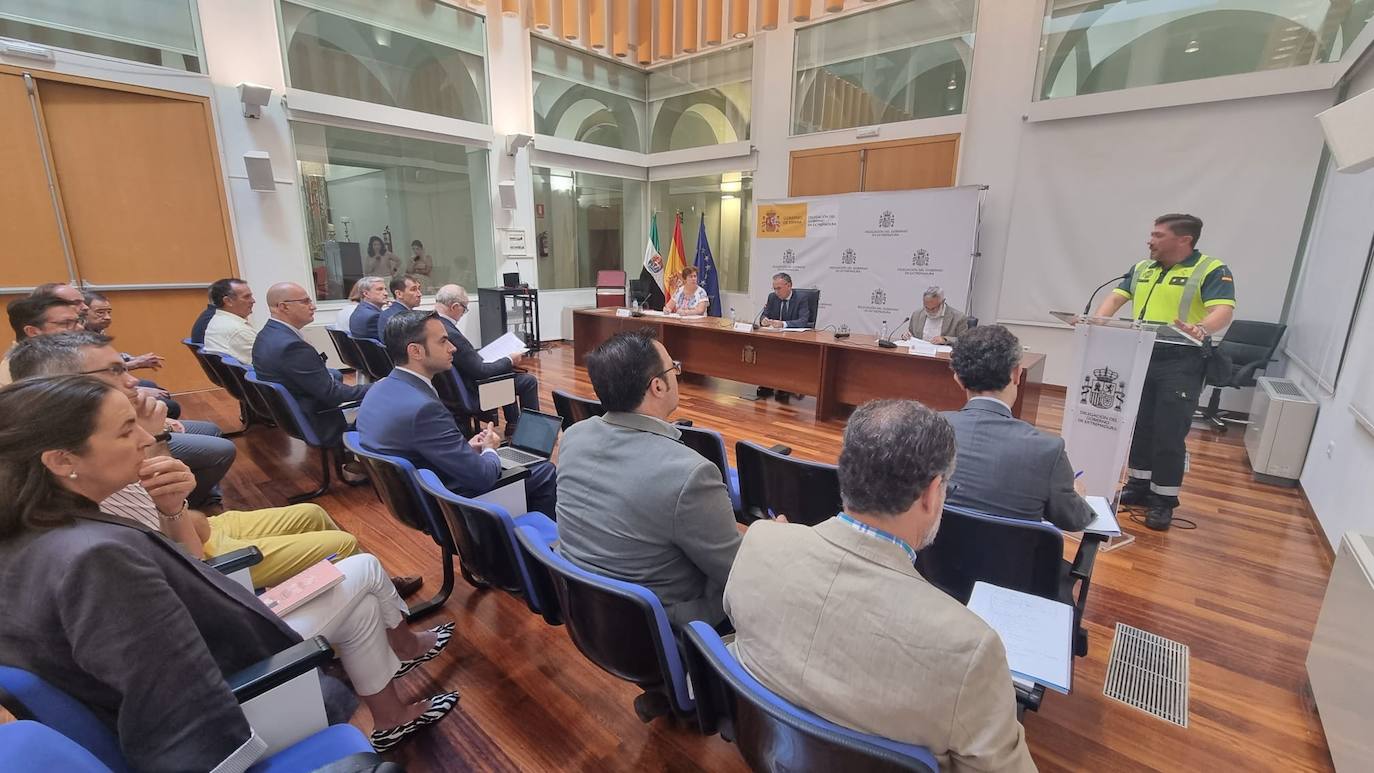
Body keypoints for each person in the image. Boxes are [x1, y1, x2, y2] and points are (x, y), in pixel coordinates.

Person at [0, 377, 460, 764]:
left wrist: (171, 507)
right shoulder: (94, 559)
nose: (144, 438)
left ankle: (390, 716)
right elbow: (179, 709)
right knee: (361, 573)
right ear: (61, 460)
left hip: (187, 688)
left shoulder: (35, 532)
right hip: (237, 715)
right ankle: (390, 699)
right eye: (125, 431)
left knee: (358, 605)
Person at [725, 400, 1035, 773]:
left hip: (766, 753)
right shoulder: (972, 648)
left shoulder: (759, 542)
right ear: (931, 493)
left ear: (846, 472)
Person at [556, 329, 743, 629]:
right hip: (660, 630)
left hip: (587, 614)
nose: (677, 375)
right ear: (657, 386)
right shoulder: (691, 474)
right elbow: (736, 570)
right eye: (673, 368)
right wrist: (770, 541)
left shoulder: (574, 436)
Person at [1093, 213, 1236, 530]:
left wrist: (1201, 328)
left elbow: (1223, 310)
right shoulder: (1142, 268)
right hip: (1142, 354)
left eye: (1158, 235)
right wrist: (1095, 322)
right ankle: (1139, 485)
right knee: (1141, 425)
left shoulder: (1211, 269)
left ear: (1184, 240)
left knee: (1169, 431)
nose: (1150, 240)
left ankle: (1163, 500)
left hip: (1181, 361)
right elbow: (1116, 298)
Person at [356, 311, 558, 516]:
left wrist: (465, 449)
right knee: (545, 471)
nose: (452, 348)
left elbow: (418, 448)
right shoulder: (423, 409)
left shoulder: (378, 390)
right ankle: (524, 535)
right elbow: (483, 477)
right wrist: (489, 449)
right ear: (415, 351)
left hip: (417, 495)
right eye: (443, 341)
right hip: (448, 506)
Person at [10, 330, 235, 509]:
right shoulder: (88, 459)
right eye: (115, 371)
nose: (133, 381)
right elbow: (166, 526)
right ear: (67, 382)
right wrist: (156, 437)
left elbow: (169, 513)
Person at [944, 325, 1093, 531]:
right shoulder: (1048, 450)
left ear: (958, 379)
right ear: (1016, 373)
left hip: (930, 552)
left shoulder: (926, 431)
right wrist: (1075, 494)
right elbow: (1075, 520)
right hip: (1012, 553)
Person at [253, 283, 372, 458]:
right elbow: (334, 394)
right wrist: (379, 387)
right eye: (305, 301)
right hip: (319, 420)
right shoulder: (291, 346)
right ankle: (365, 462)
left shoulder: (267, 334)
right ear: (283, 307)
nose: (313, 306)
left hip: (294, 417)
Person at [434, 284, 541, 434]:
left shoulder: (434, 324)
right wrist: (509, 359)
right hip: (475, 392)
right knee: (528, 381)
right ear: (455, 307)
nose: (464, 313)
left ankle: (513, 424)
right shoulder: (451, 333)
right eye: (464, 309)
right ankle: (532, 431)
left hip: (454, 390)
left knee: (504, 370)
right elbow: (482, 371)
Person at [754, 272, 812, 400]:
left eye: (779, 288)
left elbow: (803, 321)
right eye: (774, 288)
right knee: (763, 349)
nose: (776, 292)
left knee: (785, 353)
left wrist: (783, 324)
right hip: (775, 337)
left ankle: (784, 386)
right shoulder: (772, 297)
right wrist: (764, 320)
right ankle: (767, 383)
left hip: (794, 339)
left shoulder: (801, 298)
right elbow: (764, 315)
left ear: (789, 286)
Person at [2, 295, 82, 386]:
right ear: (32, 331)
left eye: (78, 321)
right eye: (65, 323)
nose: (80, 328)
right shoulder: (13, 375)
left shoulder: (60, 355)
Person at [202, 278, 259, 364]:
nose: (253, 301)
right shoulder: (239, 330)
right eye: (246, 297)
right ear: (228, 301)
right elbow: (270, 362)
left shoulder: (218, 320)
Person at [901, 286, 969, 345]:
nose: (930, 311)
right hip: (919, 352)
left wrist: (945, 339)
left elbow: (964, 340)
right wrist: (906, 336)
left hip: (943, 354)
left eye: (933, 308)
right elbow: (911, 334)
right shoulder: (917, 314)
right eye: (926, 307)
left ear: (943, 302)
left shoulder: (959, 317)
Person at [349, 275, 389, 340]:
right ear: (366, 294)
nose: (386, 293)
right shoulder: (374, 316)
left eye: (385, 289)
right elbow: (390, 341)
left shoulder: (359, 310)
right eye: (380, 289)